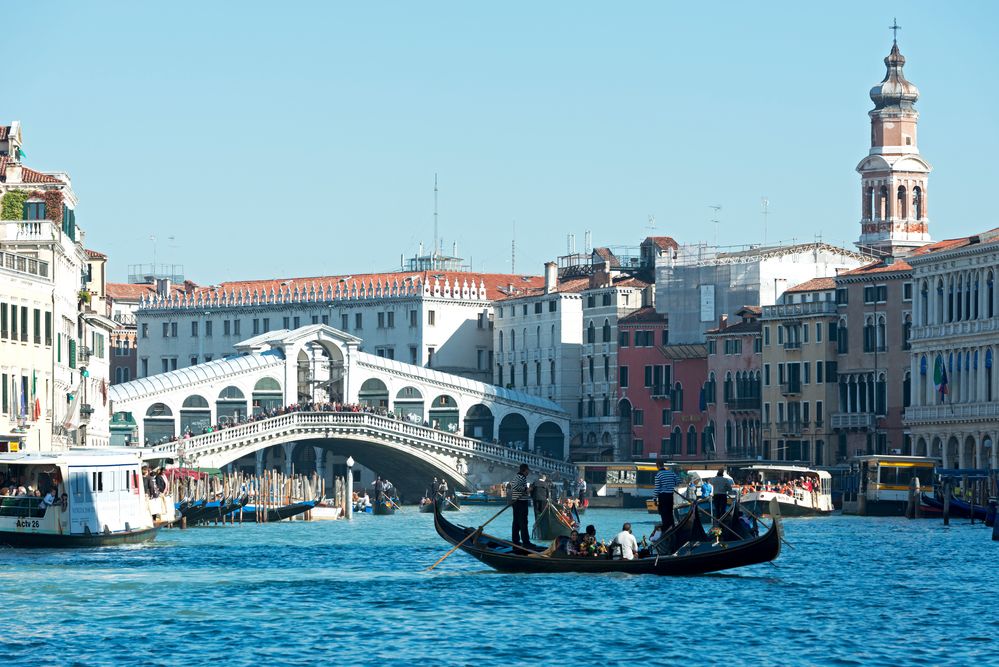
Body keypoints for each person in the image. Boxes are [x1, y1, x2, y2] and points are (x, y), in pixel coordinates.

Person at [510, 464, 533, 548]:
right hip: (521, 502)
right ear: (525, 470)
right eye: (528, 470)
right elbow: (515, 486)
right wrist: (527, 489)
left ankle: (515, 541)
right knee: (523, 522)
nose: (528, 472)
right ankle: (526, 542)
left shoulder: (516, 476)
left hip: (516, 502)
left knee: (516, 522)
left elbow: (513, 485)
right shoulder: (522, 477)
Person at [653, 460, 680, 530]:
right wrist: (671, 485)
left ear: (657, 465)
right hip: (670, 496)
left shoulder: (658, 475)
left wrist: (654, 499)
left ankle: (666, 528)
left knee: (663, 513)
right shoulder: (671, 473)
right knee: (670, 512)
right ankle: (672, 526)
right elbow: (678, 481)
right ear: (663, 465)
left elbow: (657, 488)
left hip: (663, 496)